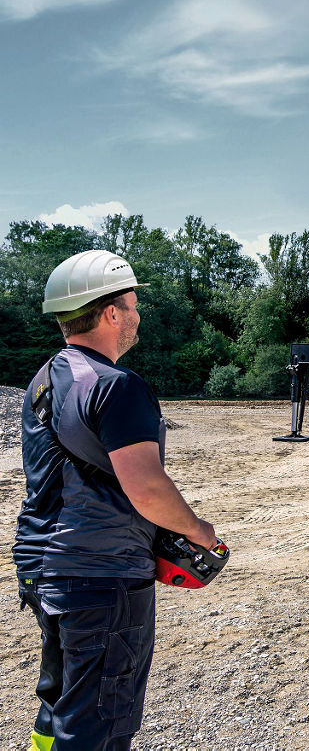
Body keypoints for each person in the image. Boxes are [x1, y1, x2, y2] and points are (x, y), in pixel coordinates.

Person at [12, 250, 218, 751]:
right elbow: (146, 488)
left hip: (46, 570)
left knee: (60, 706)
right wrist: (197, 531)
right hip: (100, 577)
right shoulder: (115, 387)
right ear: (109, 313)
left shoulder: (45, 380)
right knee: (99, 725)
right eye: (131, 304)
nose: (137, 315)